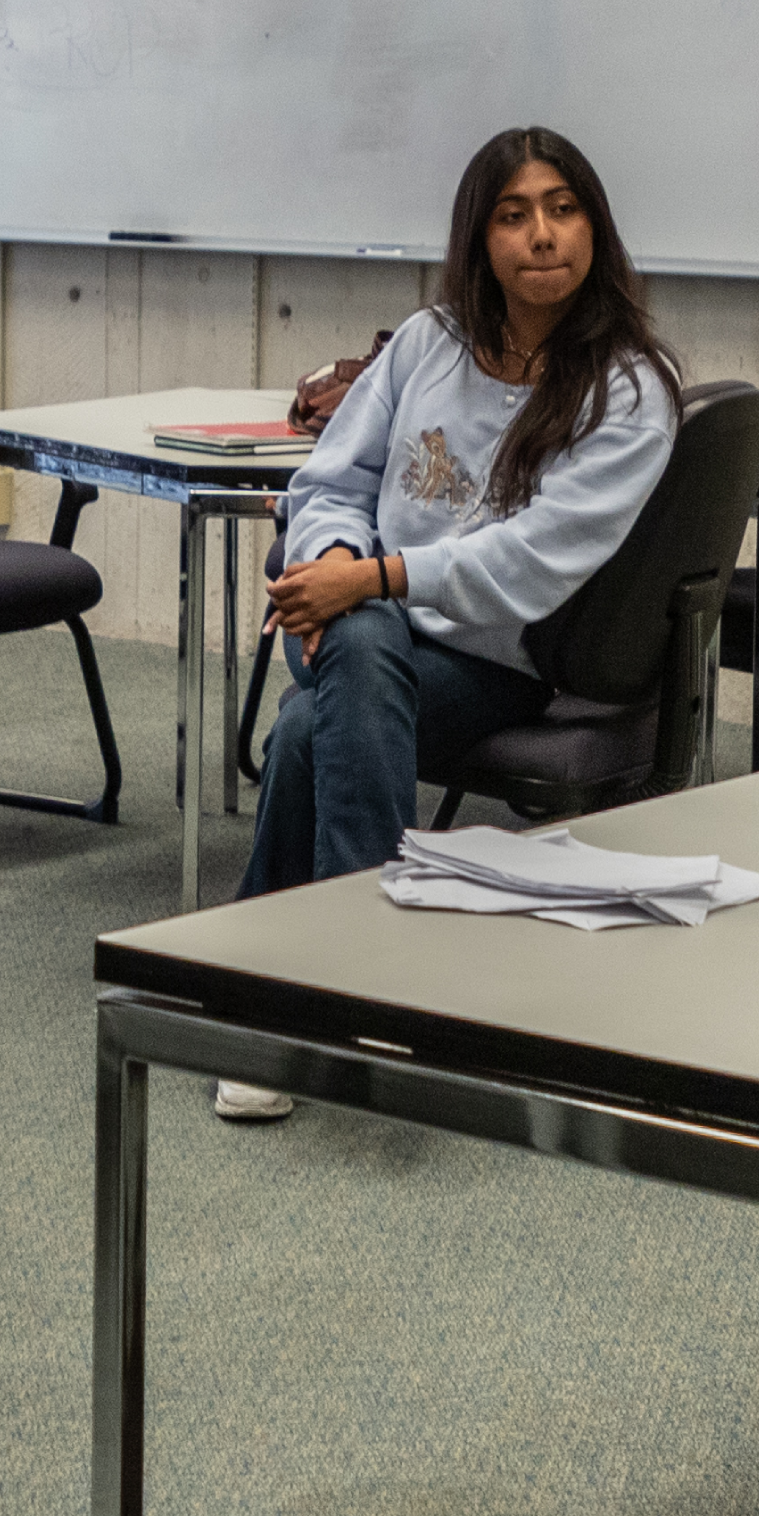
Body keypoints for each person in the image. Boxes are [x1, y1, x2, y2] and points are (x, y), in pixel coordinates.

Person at [228, 125, 683, 1118]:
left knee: (310, 720)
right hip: (370, 627)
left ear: (594, 227)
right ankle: (365, 987)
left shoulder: (629, 388)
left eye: (561, 209)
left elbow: (529, 565)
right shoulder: (427, 343)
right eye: (512, 215)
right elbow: (328, 480)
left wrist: (374, 579)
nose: (540, 235)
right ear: (479, 238)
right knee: (354, 647)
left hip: (493, 659)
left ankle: (266, 993)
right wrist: (340, 560)